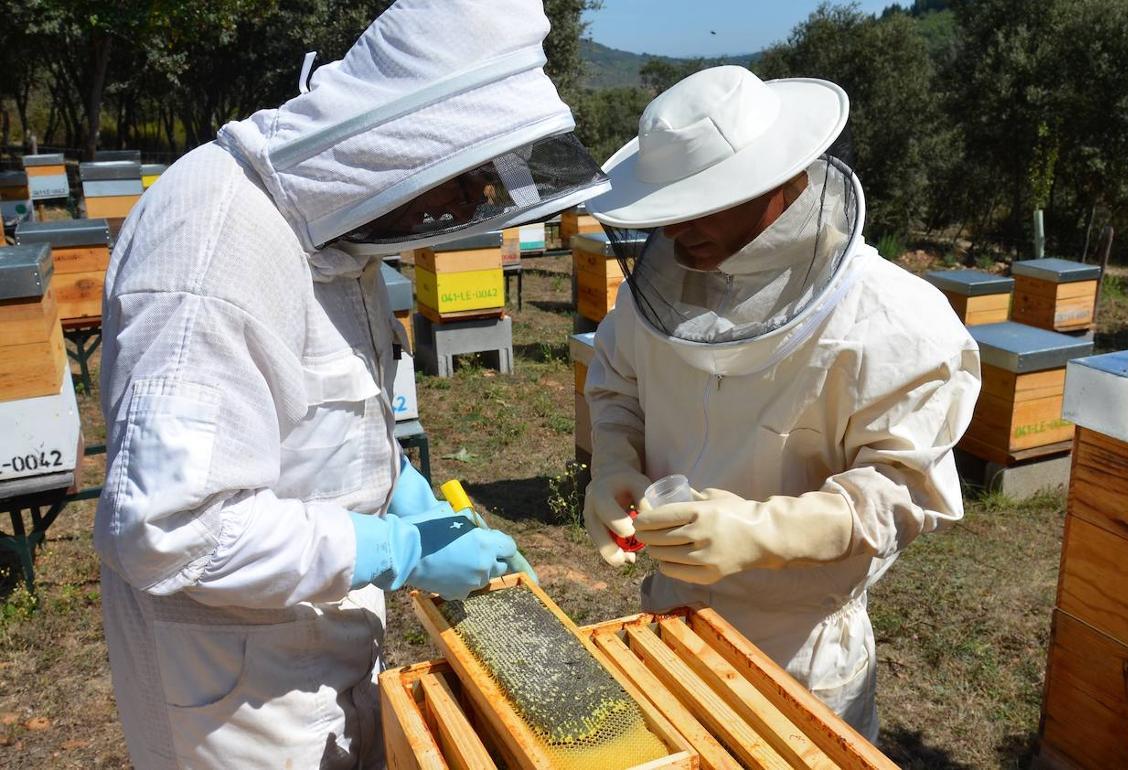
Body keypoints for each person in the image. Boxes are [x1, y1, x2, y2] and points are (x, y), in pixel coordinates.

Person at [93, 2, 608, 767]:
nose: (470, 207)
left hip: (322, 641)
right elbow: (169, 531)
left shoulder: (335, 243)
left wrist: (405, 496)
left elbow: (321, 424)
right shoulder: (213, 250)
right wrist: (399, 548)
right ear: (399, 144)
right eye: (465, 179)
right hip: (236, 700)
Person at [581, 65, 980, 740]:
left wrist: (763, 533)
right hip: (672, 623)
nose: (675, 233)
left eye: (700, 203)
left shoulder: (897, 321)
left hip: (801, 660)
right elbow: (619, 386)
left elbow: (902, 492)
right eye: (667, 210)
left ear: (781, 179)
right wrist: (613, 465)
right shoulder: (659, 291)